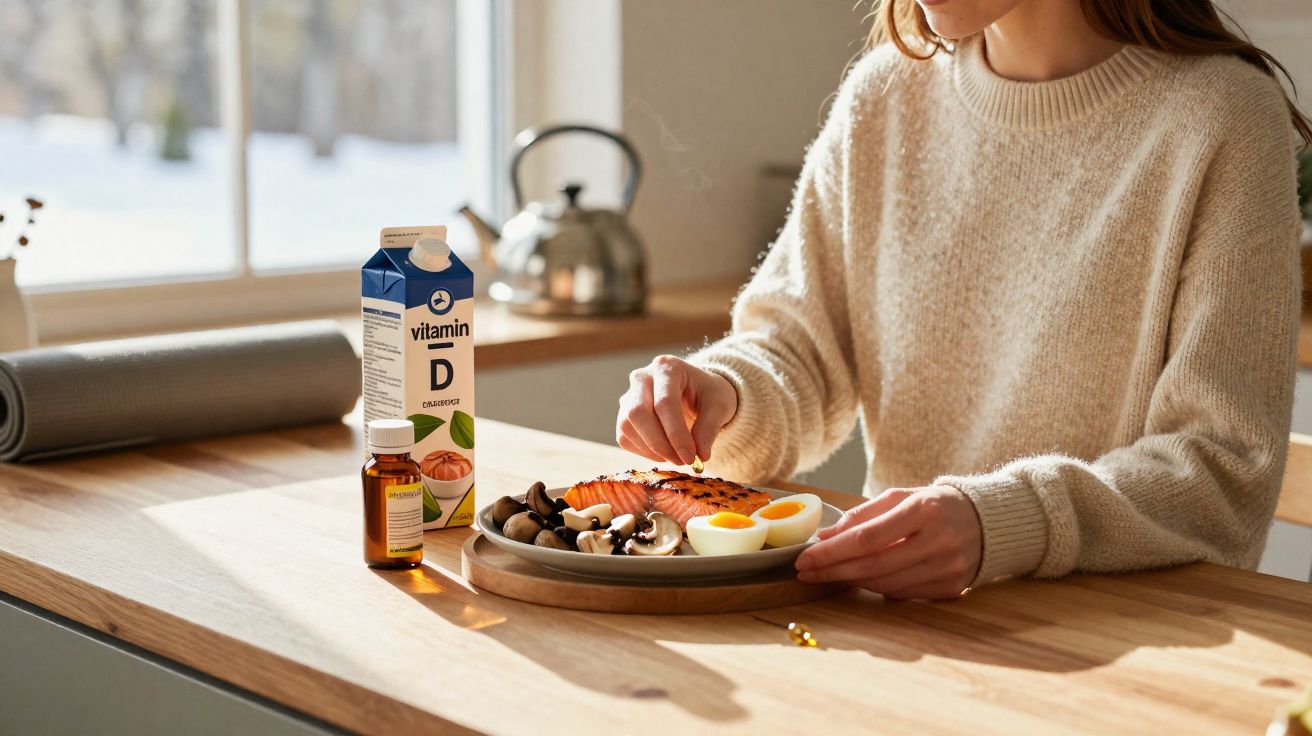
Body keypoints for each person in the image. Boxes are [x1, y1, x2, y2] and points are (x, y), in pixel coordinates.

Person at [615, 0, 1310, 600]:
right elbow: (800, 352)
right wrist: (725, 395)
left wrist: (1001, 522)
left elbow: (1220, 471)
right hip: (903, 625)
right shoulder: (884, 96)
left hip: (1125, 644)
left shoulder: (1223, 117)